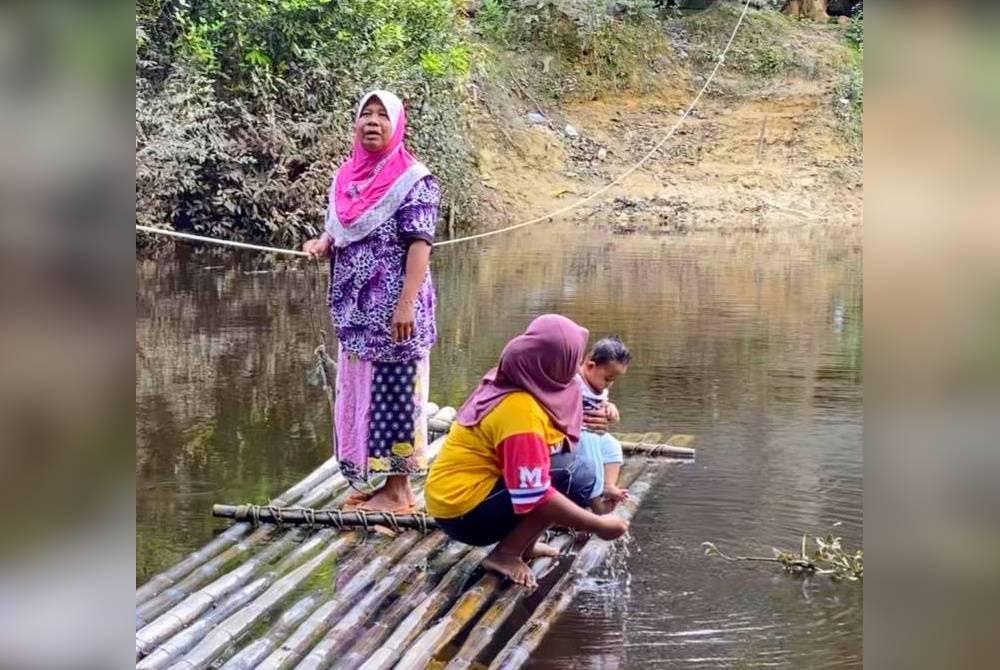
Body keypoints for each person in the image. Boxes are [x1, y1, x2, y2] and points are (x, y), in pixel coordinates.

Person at [303, 90, 439, 513]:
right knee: (363, 392)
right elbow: (340, 227)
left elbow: (420, 245)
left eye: (383, 115)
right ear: (356, 124)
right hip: (356, 312)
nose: (373, 122)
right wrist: (323, 242)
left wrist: (405, 305)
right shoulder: (347, 176)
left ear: (397, 126)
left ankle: (399, 491)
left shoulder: (414, 179)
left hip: (396, 310)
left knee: (395, 393)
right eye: (367, 114)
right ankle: (381, 483)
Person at [426, 314, 629, 588]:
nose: (575, 370)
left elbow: (559, 434)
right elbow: (533, 492)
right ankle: (506, 553)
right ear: (554, 365)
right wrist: (597, 524)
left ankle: (525, 544)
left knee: (572, 464)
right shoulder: (520, 410)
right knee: (574, 475)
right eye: (571, 361)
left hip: (467, 493)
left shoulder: (519, 376)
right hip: (464, 512)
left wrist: (598, 419)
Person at [576, 336, 632, 515]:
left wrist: (609, 407)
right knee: (592, 452)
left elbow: (601, 403)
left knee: (613, 447)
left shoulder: (599, 386)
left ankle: (608, 485)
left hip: (592, 431)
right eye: (607, 378)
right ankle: (596, 500)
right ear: (590, 365)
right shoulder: (575, 382)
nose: (609, 384)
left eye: (613, 380)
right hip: (577, 435)